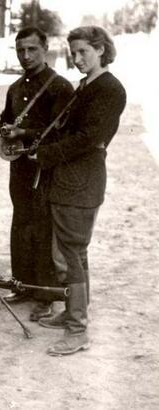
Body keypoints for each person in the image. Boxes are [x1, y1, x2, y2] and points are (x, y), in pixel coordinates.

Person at [33, 26, 126, 356]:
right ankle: (73, 312)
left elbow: (88, 137)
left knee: (70, 255)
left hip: (81, 181)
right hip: (69, 179)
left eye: (83, 51)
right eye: (73, 53)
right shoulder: (87, 85)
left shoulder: (110, 89)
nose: (76, 59)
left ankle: (77, 330)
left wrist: (47, 154)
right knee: (73, 252)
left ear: (101, 50)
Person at [0, 27, 74, 321]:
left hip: (47, 168)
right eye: (20, 50)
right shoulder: (15, 87)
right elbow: (7, 117)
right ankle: (23, 285)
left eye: (32, 49)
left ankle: (46, 295)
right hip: (20, 166)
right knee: (21, 224)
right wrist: (6, 129)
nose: (26, 56)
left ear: (45, 49)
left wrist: (24, 132)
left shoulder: (59, 87)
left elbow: (63, 131)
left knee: (44, 229)